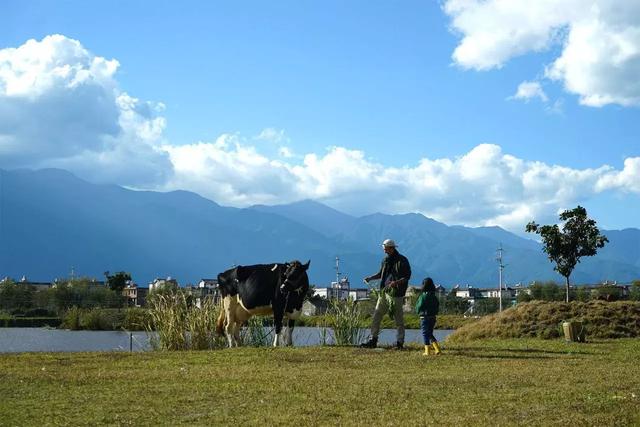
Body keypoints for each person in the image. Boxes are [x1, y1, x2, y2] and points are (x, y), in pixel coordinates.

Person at [361, 239, 411, 349]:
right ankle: (373, 339)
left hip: (396, 294)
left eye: (386, 249)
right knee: (376, 315)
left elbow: (407, 277)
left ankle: (399, 343)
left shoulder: (402, 260)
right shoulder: (385, 260)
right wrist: (370, 278)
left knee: (399, 320)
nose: (384, 251)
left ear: (392, 248)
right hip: (384, 292)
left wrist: (396, 283)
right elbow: (380, 274)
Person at [415, 277, 441, 355]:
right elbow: (437, 305)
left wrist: (418, 311)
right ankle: (437, 348)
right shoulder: (434, 297)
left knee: (425, 333)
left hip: (424, 317)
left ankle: (427, 350)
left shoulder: (423, 296)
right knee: (430, 333)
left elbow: (419, 306)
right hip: (433, 317)